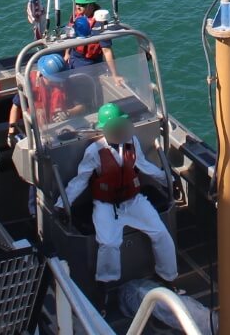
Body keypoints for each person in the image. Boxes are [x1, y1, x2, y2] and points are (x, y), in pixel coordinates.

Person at [55, 103, 177, 303]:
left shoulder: (132, 142)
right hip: (105, 205)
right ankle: (103, 287)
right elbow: (81, 180)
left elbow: (143, 165)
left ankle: (168, 276)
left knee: (160, 232)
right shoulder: (95, 151)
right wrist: (62, 204)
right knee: (109, 243)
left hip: (133, 201)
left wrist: (168, 179)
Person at [65, 0, 122, 83]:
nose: (78, 7)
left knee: (82, 87)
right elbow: (70, 35)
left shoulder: (99, 22)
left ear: (90, 4)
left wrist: (115, 75)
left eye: (82, 5)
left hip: (89, 63)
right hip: (74, 56)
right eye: (77, 3)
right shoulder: (77, 14)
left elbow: (107, 51)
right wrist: (67, 54)